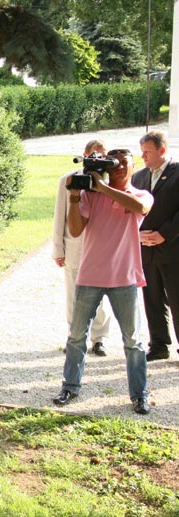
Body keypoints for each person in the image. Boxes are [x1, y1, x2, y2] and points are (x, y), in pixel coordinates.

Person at [52, 148, 153, 415]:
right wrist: (75, 196)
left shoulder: (141, 195)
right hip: (90, 276)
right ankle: (69, 387)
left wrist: (103, 188)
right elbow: (75, 230)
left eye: (124, 163)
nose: (120, 167)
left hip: (124, 277)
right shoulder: (91, 196)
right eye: (114, 164)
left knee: (133, 341)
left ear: (134, 166)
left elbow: (141, 208)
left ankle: (140, 395)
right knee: (76, 336)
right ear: (106, 168)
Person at [51, 139, 111, 356]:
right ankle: (74, 335)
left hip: (101, 247)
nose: (99, 159)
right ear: (86, 155)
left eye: (103, 155)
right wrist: (58, 249)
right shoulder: (68, 180)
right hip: (75, 246)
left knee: (101, 295)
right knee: (73, 294)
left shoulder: (110, 181)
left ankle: (99, 337)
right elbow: (60, 215)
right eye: (95, 155)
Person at [131, 131, 179, 362]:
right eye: (141, 152)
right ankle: (159, 345)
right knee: (152, 298)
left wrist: (164, 234)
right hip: (146, 249)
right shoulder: (139, 177)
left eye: (147, 152)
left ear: (162, 150)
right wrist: (137, 234)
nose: (143, 157)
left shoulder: (177, 173)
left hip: (173, 248)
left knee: (177, 298)